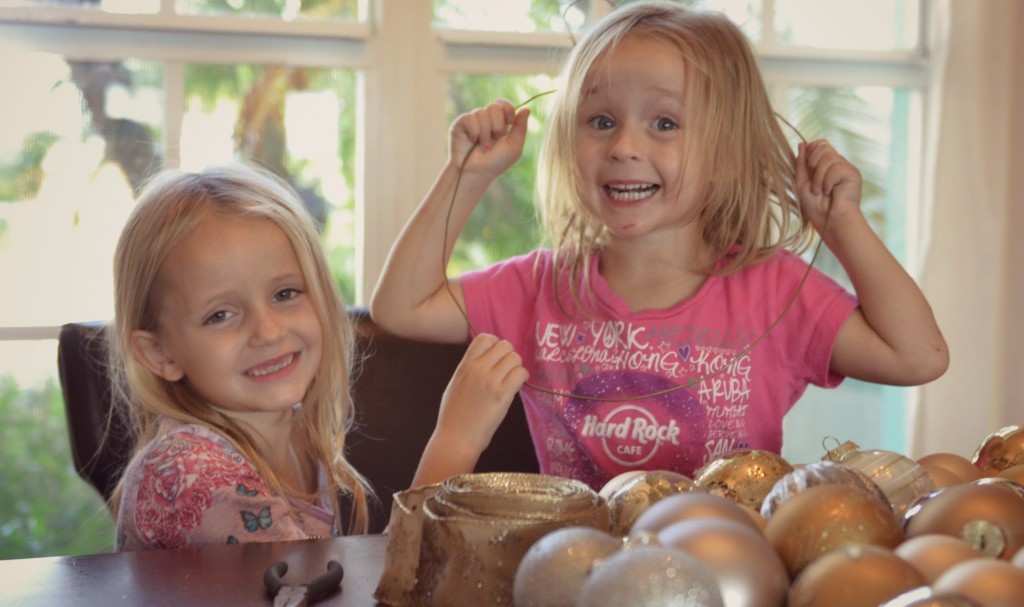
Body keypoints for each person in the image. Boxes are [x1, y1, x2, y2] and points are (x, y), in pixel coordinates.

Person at [370, 2, 949, 491]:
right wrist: (465, 176)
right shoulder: (539, 288)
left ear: (726, 153)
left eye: (665, 124)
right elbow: (400, 307)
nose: (624, 145)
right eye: (599, 120)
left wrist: (841, 222)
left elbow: (918, 355)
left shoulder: (775, 291)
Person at [109, 163, 524, 548]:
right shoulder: (192, 475)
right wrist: (456, 441)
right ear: (159, 353)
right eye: (220, 315)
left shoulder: (294, 435)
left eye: (285, 294)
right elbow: (380, 587)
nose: (268, 330)